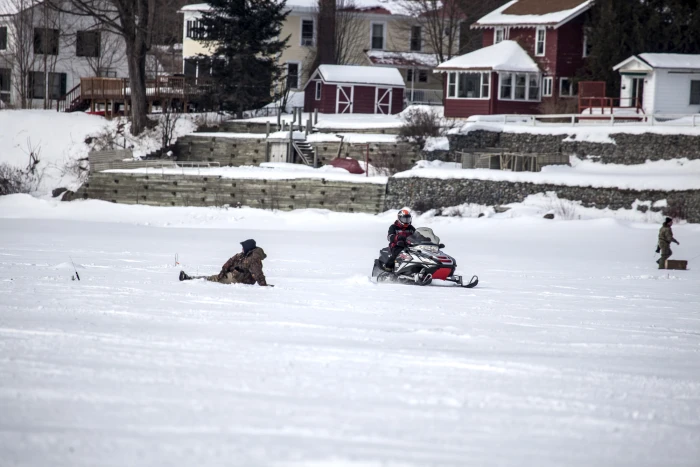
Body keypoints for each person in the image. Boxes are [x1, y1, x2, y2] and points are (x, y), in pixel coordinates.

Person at [179, 239, 271, 286]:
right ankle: (190, 278)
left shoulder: (253, 258)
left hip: (239, 280)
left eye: (243, 247)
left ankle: (190, 279)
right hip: (234, 275)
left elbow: (258, 273)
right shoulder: (244, 254)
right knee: (215, 277)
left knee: (213, 279)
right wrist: (224, 270)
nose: (242, 248)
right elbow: (231, 260)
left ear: (248, 248)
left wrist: (264, 285)